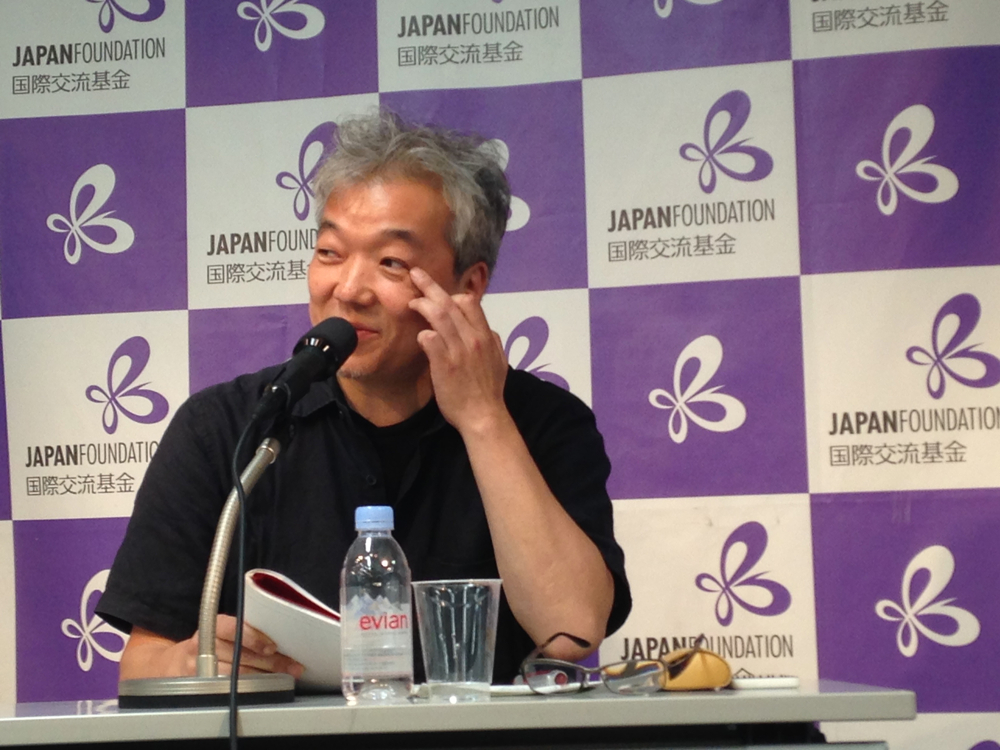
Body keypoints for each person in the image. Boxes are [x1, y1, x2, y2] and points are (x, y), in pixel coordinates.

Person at [96, 109, 631, 685]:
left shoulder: (544, 423)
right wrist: (194, 663)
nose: (348, 290)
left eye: (391, 262)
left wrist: (482, 418)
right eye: (330, 252)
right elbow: (141, 665)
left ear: (468, 285)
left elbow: (572, 628)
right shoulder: (228, 428)